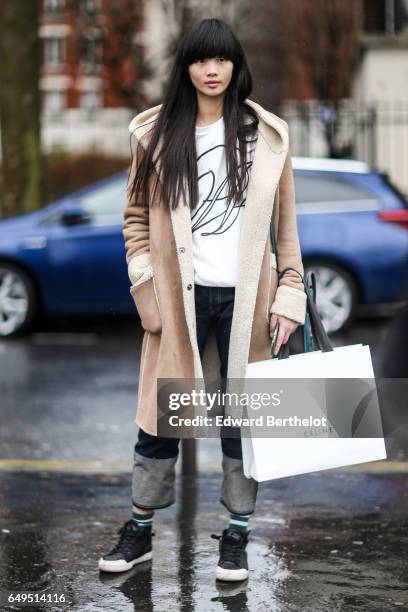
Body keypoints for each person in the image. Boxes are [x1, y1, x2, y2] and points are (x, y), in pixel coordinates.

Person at [98, 17, 306, 581]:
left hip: (247, 305)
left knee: (241, 420)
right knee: (164, 417)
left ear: (236, 66)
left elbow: (286, 230)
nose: (212, 70)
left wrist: (289, 294)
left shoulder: (268, 137)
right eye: (200, 60)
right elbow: (135, 218)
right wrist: (145, 283)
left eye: (221, 60)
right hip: (179, 302)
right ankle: (140, 528)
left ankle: (236, 534)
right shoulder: (158, 134)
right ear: (186, 67)